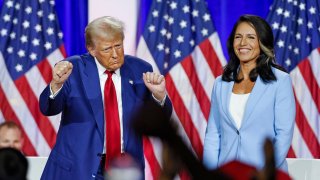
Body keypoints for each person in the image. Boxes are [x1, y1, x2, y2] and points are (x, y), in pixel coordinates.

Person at [39, 16, 172, 180]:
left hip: (124, 170)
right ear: (91, 49)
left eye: (118, 46)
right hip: (78, 169)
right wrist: (56, 85)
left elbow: (160, 120)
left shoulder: (140, 69)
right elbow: (48, 108)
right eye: (107, 49)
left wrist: (159, 96)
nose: (115, 54)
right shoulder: (72, 69)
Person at [203, 14, 295, 172]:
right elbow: (213, 134)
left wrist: (264, 173)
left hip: (264, 174)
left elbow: (283, 135)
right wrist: (210, 175)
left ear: (262, 43)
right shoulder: (220, 83)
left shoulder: (280, 81)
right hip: (227, 174)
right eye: (238, 37)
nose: (243, 43)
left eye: (251, 37)